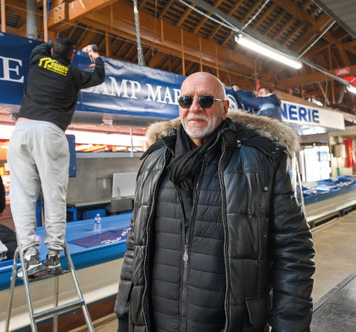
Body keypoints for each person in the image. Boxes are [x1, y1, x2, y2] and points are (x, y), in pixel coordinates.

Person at [115, 72, 315, 331]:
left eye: (206, 100)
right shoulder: (154, 161)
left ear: (224, 108)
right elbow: (135, 247)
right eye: (186, 100)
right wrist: (124, 314)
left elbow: (293, 250)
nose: (195, 108)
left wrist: (290, 325)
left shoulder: (261, 162)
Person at [8, 37, 105, 276]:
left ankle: (29, 257)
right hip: (51, 133)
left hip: (21, 131)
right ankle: (53, 257)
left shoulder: (38, 60)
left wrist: (52, 47)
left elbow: (43, 46)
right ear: (72, 57)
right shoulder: (74, 74)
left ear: (52, 52)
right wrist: (94, 55)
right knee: (54, 196)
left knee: (22, 197)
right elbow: (99, 75)